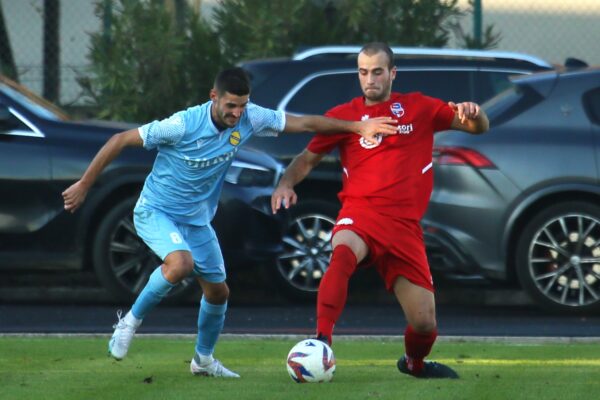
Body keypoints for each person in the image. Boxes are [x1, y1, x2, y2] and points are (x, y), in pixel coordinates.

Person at [62, 67, 397, 378]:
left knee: (219, 292)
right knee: (180, 264)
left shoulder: (250, 117)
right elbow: (119, 140)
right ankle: (129, 323)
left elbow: (306, 123)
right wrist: (84, 185)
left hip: (197, 221)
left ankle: (203, 361)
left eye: (242, 106)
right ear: (214, 97)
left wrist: (356, 127)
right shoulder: (182, 125)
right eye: (231, 106)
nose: (237, 114)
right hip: (156, 211)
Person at [271, 43, 489, 379]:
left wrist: (475, 113)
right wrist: (286, 184)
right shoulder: (345, 115)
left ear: (392, 73)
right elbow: (306, 159)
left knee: (424, 323)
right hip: (361, 212)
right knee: (342, 252)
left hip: (404, 228)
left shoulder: (418, 107)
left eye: (376, 71)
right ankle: (321, 341)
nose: (369, 79)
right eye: (362, 72)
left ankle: (414, 364)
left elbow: (477, 128)